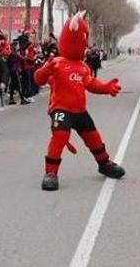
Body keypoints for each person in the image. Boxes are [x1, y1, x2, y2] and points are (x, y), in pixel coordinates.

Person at [35, 11, 123, 191]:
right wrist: (46, 70)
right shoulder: (56, 62)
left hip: (80, 111)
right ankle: (50, 173)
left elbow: (91, 84)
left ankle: (104, 164)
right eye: (82, 39)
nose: (84, 44)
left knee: (94, 137)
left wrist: (107, 88)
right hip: (60, 109)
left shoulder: (83, 67)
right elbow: (38, 79)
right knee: (60, 136)